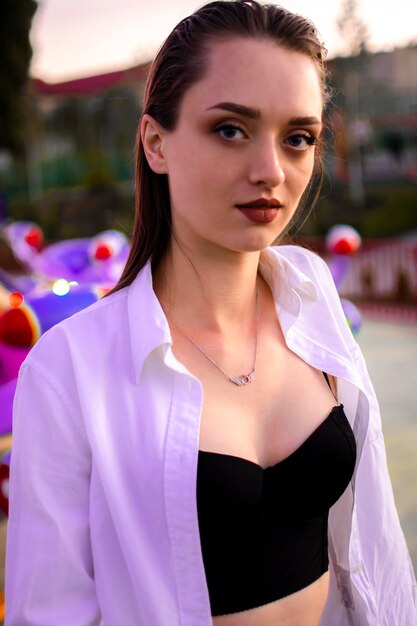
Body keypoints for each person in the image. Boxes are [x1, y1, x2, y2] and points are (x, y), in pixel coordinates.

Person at [5, 1, 417, 625]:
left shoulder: (311, 297)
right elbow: (49, 613)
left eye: (298, 138)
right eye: (230, 129)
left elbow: (376, 547)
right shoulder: (70, 368)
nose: (270, 172)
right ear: (155, 142)